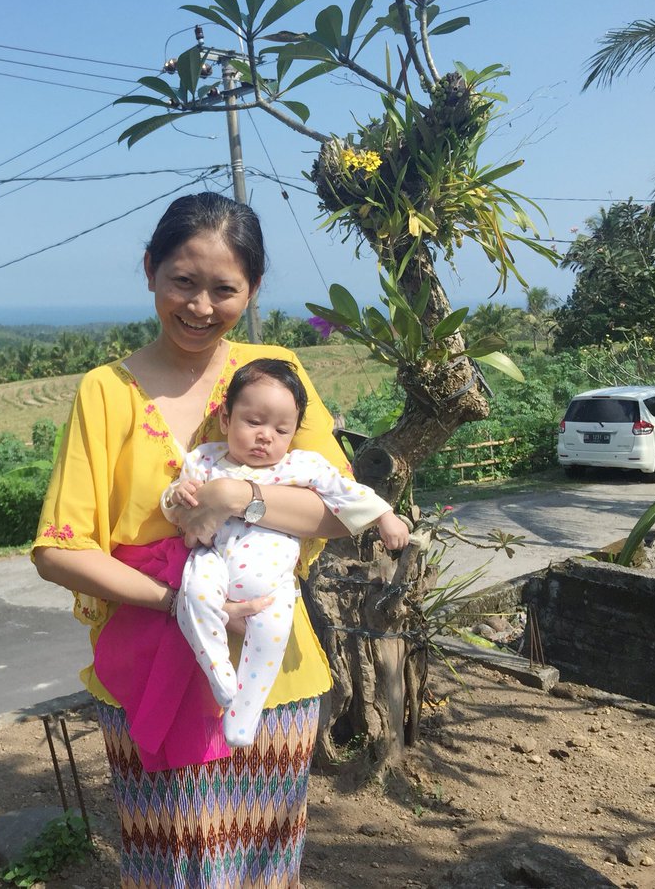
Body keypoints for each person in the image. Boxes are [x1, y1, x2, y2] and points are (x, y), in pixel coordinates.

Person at [33, 192, 357, 887]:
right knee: (172, 871)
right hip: (154, 675)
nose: (200, 306)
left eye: (224, 289)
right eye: (183, 281)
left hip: (278, 683)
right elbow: (59, 549)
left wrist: (240, 494)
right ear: (150, 270)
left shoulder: (273, 377)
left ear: (254, 289)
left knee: (269, 873)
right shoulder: (105, 392)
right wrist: (179, 598)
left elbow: (338, 511)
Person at [163, 357, 408, 748]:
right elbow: (177, 503)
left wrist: (385, 516)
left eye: (281, 429)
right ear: (226, 419)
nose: (265, 437)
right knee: (195, 598)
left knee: (272, 636)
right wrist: (175, 496)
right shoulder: (206, 459)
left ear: (294, 433)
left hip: (275, 583)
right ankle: (220, 674)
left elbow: (348, 493)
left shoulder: (302, 465)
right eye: (253, 422)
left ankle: (244, 712)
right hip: (213, 559)